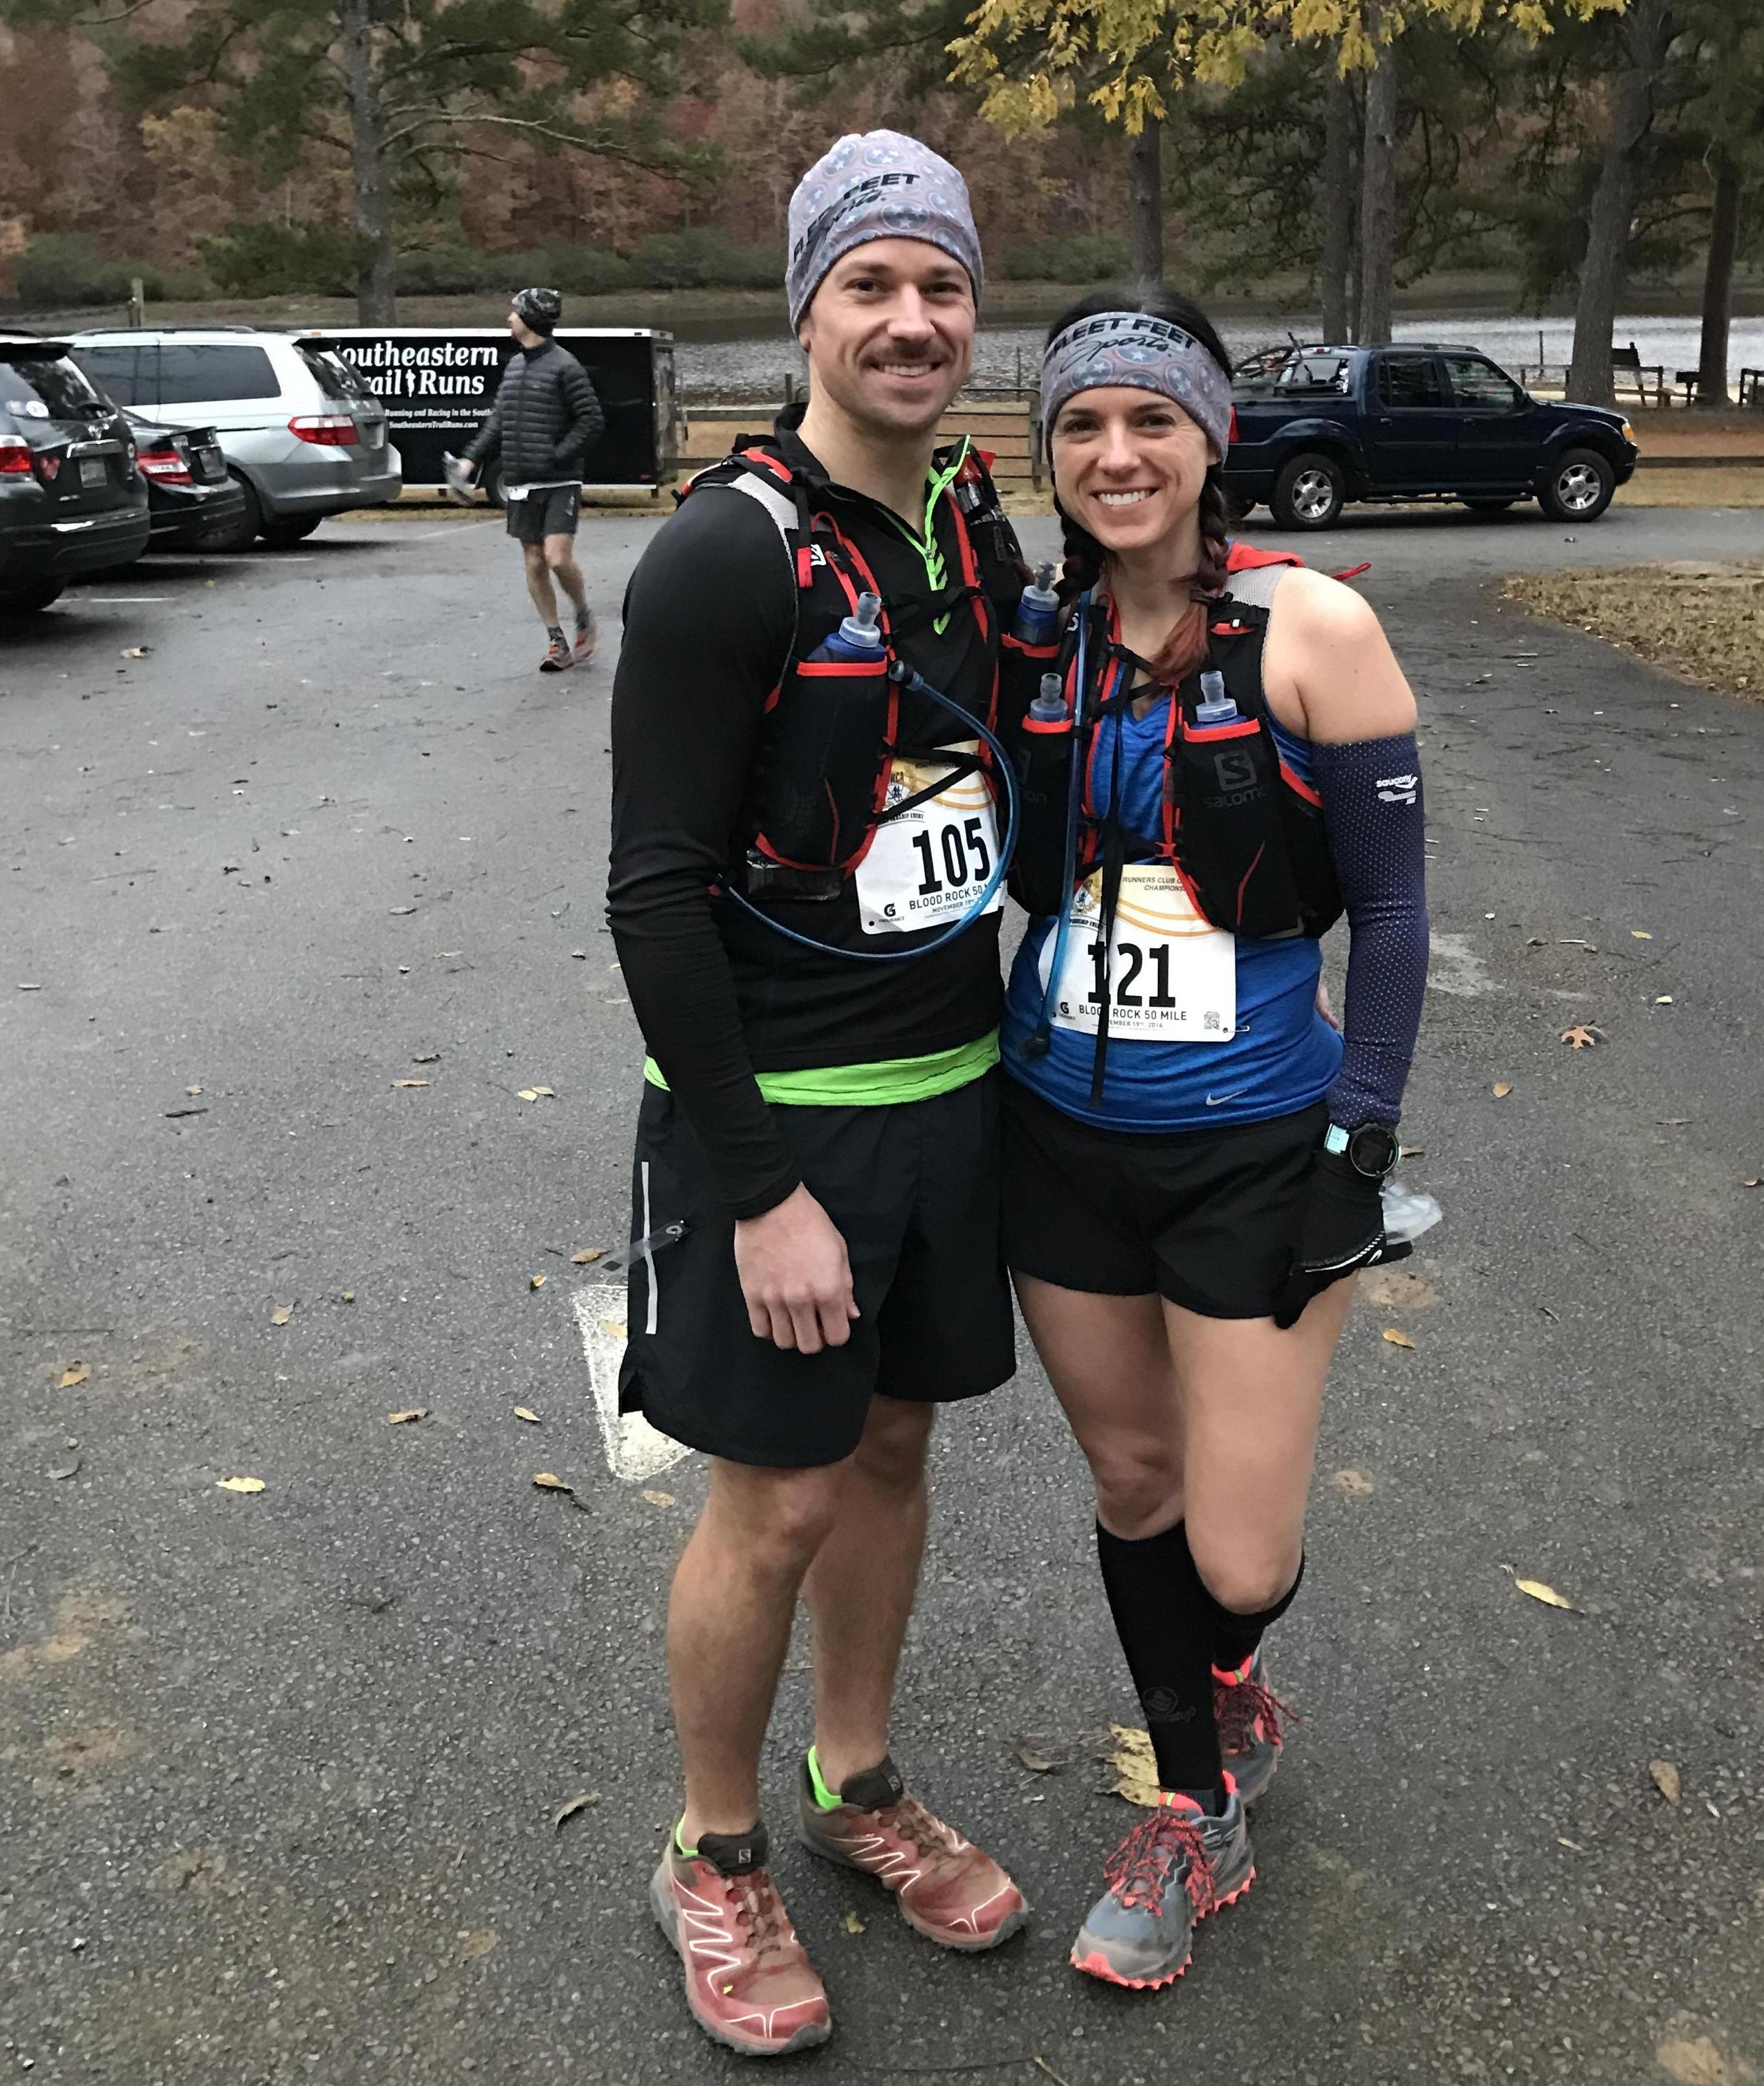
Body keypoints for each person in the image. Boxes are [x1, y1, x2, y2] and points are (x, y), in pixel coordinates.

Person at [607, 132, 1033, 2058]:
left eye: (942, 286)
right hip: (785, 1121)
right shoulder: (725, 553)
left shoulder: (968, 528)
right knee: (769, 1500)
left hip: (957, 1096)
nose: (914, 319)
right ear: (808, 308)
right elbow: (656, 893)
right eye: (873, 284)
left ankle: (857, 1792)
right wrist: (759, 1181)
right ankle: (712, 1852)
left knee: (891, 1459)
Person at [994, 290, 1430, 1991]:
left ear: (1206, 440)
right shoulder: (1033, 636)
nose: (1115, 454)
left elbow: (1389, 919)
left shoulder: (1309, 626)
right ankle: (1191, 1803)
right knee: (1129, 1481)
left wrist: (1357, 1142)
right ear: (1052, 452)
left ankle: (1228, 1666)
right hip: (1055, 1139)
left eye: (1148, 421)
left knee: (1234, 1551)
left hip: (1255, 1144)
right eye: (1081, 425)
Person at [451, 286, 604, 672]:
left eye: (514, 313)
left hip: (558, 482)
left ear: (530, 318)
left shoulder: (566, 366)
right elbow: (498, 422)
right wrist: (471, 461)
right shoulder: (516, 367)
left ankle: (583, 613)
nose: (509, 319)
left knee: (556, 558)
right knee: (534, 562)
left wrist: (557, 456)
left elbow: (592, 421)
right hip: (520, 483)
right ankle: (557, 641)